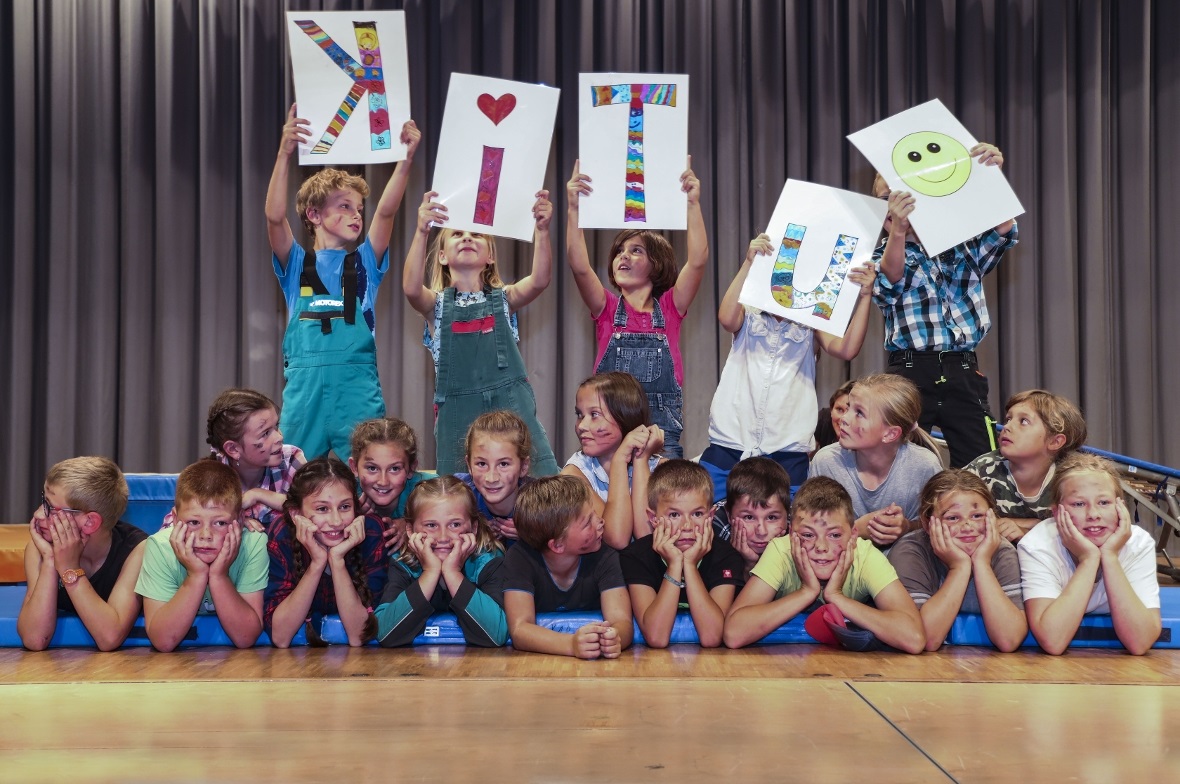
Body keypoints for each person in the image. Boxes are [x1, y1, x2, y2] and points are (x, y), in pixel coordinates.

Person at [265, 104, 421, 460]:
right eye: (344, 206)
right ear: (315, 215)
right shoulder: (295, 265)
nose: (357, 214)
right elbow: (274, 216)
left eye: (357, 207)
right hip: (304, 393)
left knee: (374, 471)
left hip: (356, 387)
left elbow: (386, 211)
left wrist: (406, 160)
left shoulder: (365, 262)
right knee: (295, 478)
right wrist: (284, 152)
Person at [871, 143, 1019, 468]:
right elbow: (890, 280)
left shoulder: (960, 248)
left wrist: (991, 176)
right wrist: (898, 230)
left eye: (901, 195)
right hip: (910, 371)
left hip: (962, 367)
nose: (894, 205)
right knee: (900, 460)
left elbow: (1003, 229)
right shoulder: (882, 255)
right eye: (885, 200)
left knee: (982, 460)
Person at [402, 189, 559, 477]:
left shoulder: (504, 298)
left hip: (511, 408)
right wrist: (421, 230)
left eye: (476, 235)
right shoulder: (435, 307)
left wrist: (543, 230)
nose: (467, 238)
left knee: (535, 484)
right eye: (458, 234)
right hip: (458, 415)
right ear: (441, 256)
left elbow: (539, 280)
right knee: (459, 495)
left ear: (490, 256)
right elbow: (411, 289)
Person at [702, 235, 875, 488]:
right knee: (717, 516)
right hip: (731, 441)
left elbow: (847, 349)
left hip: (786, 447)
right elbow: (726, 318)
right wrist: (749, 263)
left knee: (783, 521)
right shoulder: (748, 316)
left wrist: (866, 296)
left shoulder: (813, 322)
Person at [565, 158, 708, 458]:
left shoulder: (670, 308)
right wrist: (574, 208)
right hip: (608, 434)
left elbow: (697, 260)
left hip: (660, 437)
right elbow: (579, 267)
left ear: (657, 264)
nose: (623, 256)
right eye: (619, 251)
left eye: (635, 250)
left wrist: (692, 203)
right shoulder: (606, 308)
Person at [723, 477, 924, 653]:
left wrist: (836, 596)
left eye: (835, 535)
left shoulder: (865, 555)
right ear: (792, 534)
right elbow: (734, 634)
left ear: (853, 535)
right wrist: (806, 592)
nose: (821, 547)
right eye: (808, 535)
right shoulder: (781, 551)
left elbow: (914, 638)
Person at [1018, 453, 1160, 656]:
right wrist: (1089, 559)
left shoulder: (1138, 544)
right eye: (1078, 504)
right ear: (1057, 513)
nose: (1093, 515)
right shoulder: (1037, 545)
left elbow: (1140, 642)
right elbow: (1052, 641)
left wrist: (1110, 556)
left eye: (1104, 503)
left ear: (1121, 507)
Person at [135, 461, 269, 652]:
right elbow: (163, 641)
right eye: (194, 522)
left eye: (220, 523)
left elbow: (245, 637)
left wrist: (219, 576)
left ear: (239, 520)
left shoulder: (252, 544)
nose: (206, 535)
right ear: (174, 519)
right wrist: (196, 575)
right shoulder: (160, 547)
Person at [888, 470, 1027, 652]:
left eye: (977, 516)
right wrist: (959, 568)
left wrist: (982, 563)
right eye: (953, 518)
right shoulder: (911, 552)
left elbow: (1009, 640)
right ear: (926, 523)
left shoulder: (1001, 552)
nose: (968, 526)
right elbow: (924, 638)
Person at [18, 457, 147, 651]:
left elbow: (109, 638)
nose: (38, 515)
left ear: (89, 522)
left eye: (50, 508)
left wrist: (70, 569)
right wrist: (51, 561)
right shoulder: (40, 549)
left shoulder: (137, 551)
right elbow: (34, 638)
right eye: (44, 500)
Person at [502, 476, 633, 659]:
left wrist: (615, 637)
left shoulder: (605, 555)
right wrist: (570, 644)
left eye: (595, 513)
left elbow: (622, 621)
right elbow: (519, 630)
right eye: (588, 522)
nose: (601, 521)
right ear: (557, 546)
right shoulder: (520, 558)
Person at [809, 373, 942, 549]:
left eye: (859, 413)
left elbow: (941, 526)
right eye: (848, 408)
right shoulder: (826, 462)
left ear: (890, 434)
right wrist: (856, 530)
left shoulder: (925, 466)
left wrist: (907, 527)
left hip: (905, 565)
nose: (845, 419)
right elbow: (809, 529)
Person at [264, 458, 388, 647]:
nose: (336, 521)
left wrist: (337, 560)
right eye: (322, 509)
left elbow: (359, 636)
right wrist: (317, 563)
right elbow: (280, 637)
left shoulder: (369, 531)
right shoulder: (283, 533)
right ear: (296, 514)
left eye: (345, 507)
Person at [620, 460, 744, 648]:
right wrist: (674, 564)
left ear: (710, 516)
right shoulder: (636, 556)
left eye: (697, 514)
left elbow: (712, 637)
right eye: (674, 515)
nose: (687, 526)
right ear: (653, 519)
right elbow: (656, 637)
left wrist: (691, 566)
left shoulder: (727, 556)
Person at [375, 477, 506, 647]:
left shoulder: (488, 561)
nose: (443, 537)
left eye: (455, 524)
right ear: (410, 529)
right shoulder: (404, 564)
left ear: (474, 527)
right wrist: (430, 572)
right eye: (431, 525)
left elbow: (497, 634)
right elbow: (384, 632)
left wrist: (452, 573)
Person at [161, 388, 305, 533]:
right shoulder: (209, 478)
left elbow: (316, 510)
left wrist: (258, 494)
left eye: (276, 426)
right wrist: (230, 522)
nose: (279, 437)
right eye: (265, 433)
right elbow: (170, 528)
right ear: (233, 449)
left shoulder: (291, 459)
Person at [965, 389, 1087, 542]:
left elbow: (1088, 526)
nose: (1007, 427)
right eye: (1008, 419)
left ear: (1055, 442)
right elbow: (956, 521)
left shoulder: (1075, 478)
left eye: (1023, 421)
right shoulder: (980, 471)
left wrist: (1029, 529)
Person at [561, 372, 664, 549]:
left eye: (594, 414)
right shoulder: (573, 475)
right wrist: (619, 462)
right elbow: (617, 538)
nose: (582, 426)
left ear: (625, 416)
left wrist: (640, 460)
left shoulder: (661, 470)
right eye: (579, 414)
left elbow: (647, 537)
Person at [348, 416, 430, 552]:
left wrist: (412, 524)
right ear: (354, 467)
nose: (383, 481)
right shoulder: (343, 495)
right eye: (372, 468)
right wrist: (349, 518)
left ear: (411, 468)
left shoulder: (431, 491)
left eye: (394, 469)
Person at [454, 410, 536, 544]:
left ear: (523, 467)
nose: (491, 478)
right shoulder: (455, 494)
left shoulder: (542, 504)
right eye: (481, 464)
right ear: (469, 465)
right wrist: (470, 531)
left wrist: (534, 538)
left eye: (503, 464)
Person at [710, 457, 792, 581]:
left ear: (788, 515)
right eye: (749, 517)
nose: (761, 531)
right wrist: (749, 564)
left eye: (771, 517)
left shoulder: (800, 534)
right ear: (729, 515)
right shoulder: (714, 534)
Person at [813, 381, 856, 455]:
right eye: (839, 409)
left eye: (850, 411)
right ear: (831, 410)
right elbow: (804, 455)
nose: (844, 418)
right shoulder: (824, 418)